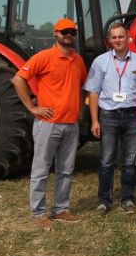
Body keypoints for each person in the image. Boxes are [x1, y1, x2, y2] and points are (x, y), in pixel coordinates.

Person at [12, 18, 87, 229]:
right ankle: (38, 213)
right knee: (41, 169)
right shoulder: (44, 57)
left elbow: (82, 86)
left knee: (65, 169)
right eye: (64, 32)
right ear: (55, 33)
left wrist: (78, 109)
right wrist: (33, 108)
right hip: (48, 124)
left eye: (72, 31)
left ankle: (60, 209)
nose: (69, 35)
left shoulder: (78, 61)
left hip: (71, 125)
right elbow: (18, 79)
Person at [84, 23, 136, 216]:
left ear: (128, 37)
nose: (117, 40)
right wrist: (95, 121)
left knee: (129, 162)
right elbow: (94, 92)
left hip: (132, 117)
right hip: (109, 116)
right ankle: (104, 200)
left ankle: (127, 199)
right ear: (109, 40)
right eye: (114, 37)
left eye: (121, 37)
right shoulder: (100, 62)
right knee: (106, 161)